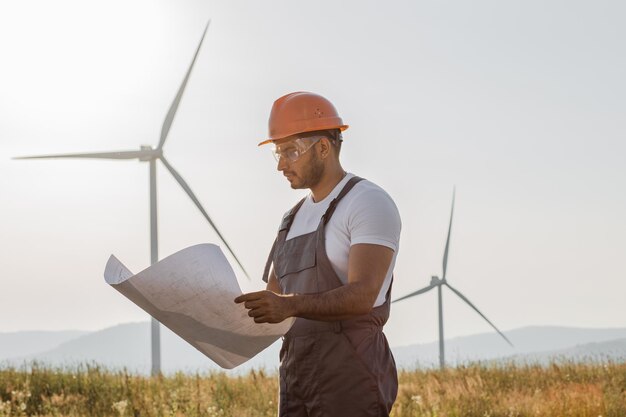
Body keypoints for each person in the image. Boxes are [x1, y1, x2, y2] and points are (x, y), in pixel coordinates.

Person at [235, 91, 401, 417]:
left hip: (350, 372)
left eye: (290, 151)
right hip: (295, 373)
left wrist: (289, 305)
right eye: (277, 154)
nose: (281, 164)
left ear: (323, 148)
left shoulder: (367, 202)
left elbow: (363, 295)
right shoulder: (291, 218)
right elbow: (274, 299)